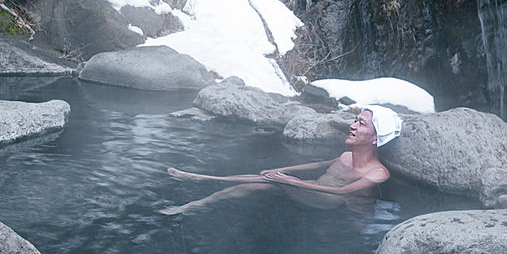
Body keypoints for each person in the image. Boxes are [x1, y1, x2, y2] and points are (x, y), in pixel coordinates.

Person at [160, 105, 403, 215]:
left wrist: (293, 182)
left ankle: (200, 177)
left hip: (326, 201)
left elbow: (343, 192)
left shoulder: (378, 173)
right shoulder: (345, 155)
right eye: (355, 120)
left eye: (361, 124)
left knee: (270, 181)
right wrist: (282, 169)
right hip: (309, 188)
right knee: (251, 184)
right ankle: (193, 206)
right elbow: (315, 166)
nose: (352, 125)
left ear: (376, 138)